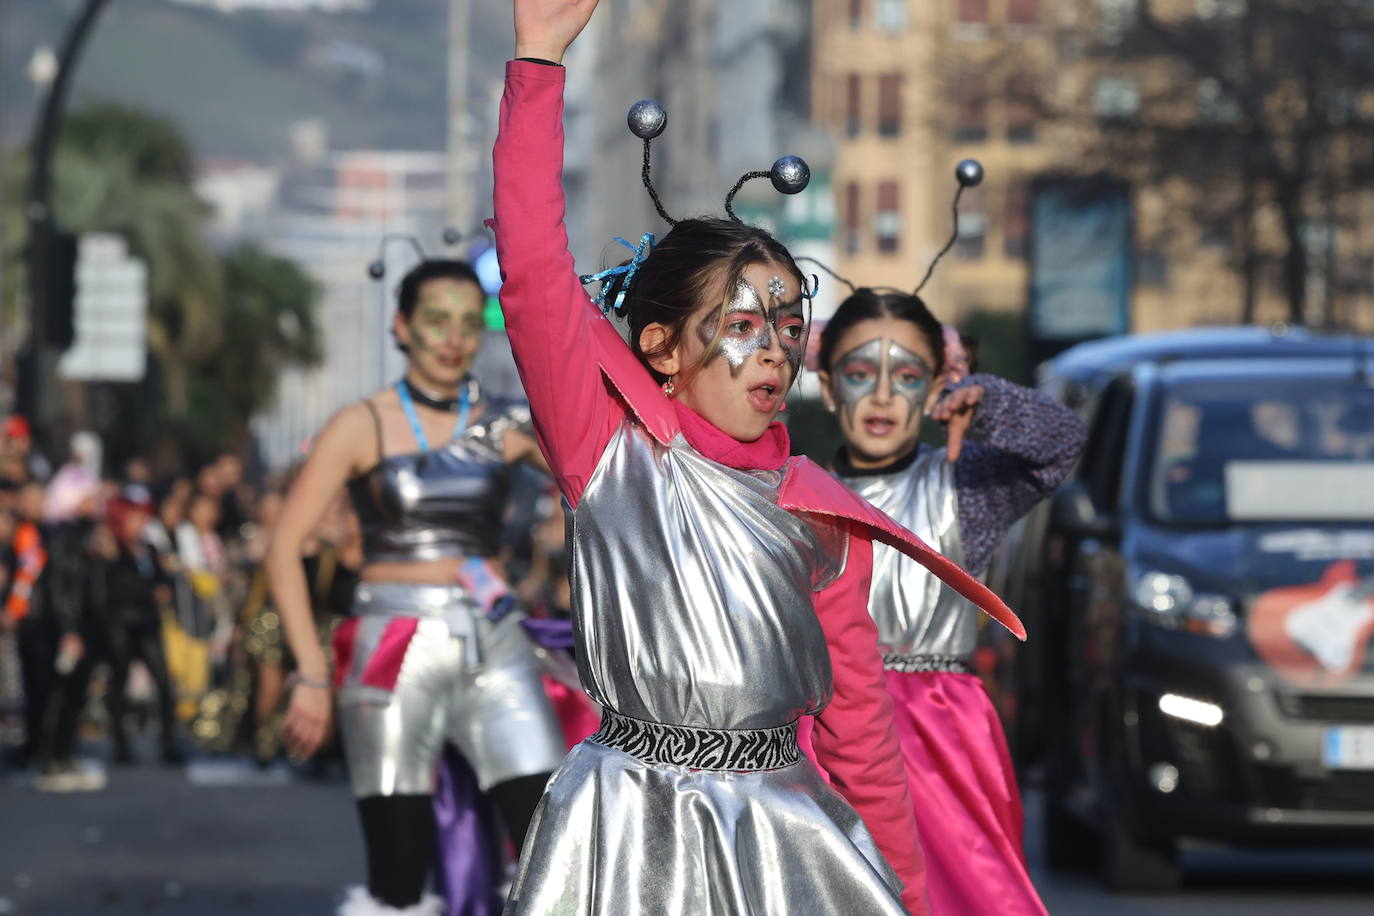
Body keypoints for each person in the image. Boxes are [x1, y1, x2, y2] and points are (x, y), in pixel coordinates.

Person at [490, 4, 1023, 913]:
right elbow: (536, 270)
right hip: (624, 828)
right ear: (660, 347)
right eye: (740, 327)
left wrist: (910, 889)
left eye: (786, 324)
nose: (775, 349)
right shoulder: (607, 456)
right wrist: (538, 59)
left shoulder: (818, 511)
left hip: (780, 831)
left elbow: (858, 727)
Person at [266, 255, 567, 916]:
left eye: (468, 322)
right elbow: (283, 549)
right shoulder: (360, 425)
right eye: (437, 321)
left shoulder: (510, 422)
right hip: (391, 643)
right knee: (398, 872)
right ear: (402, 327)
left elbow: (602, 478)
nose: (455, 337)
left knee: (554, 847)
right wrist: (312, 673)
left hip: (495, 641)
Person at [814, 288, 1085, 915]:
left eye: (907, 375)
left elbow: (1061, 443)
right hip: (820, 736)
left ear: (936, 384)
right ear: (828, 388)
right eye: (859, 373)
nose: (882, 394)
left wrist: (985, 404)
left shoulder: (966, 488)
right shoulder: (789, 489)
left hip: (940, 739)